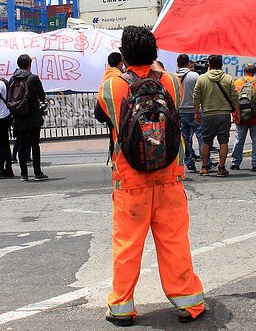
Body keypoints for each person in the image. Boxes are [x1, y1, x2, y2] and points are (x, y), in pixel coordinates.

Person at [96, 26, 205, 326]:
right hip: (170, 178)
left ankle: (121, 307)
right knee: (174, 242)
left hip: (131, 182)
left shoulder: (112, 87)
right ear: (155, 53)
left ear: (124, 55)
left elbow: (102, 111)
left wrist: (113, 70)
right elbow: (163, 78)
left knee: (127, 246)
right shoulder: (170, 81)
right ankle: (189, 303)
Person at [193, 54, 238, 177]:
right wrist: (237, 113)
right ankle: (222, 168)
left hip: (208, 114)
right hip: (224, 114)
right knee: (223, 141)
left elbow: (196, 96)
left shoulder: (202, 78)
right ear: (221, 64)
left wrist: (196, 112)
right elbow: (234, 97)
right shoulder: (228, 78)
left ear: (209, 64)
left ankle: (204, 167)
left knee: (206, 141)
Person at [10, 54, 48, 181]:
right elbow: (42, 95)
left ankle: (24, 174)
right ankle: (37, 173)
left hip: (18, 116)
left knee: (21, 145)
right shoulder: (33, 78)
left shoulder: (12, 79)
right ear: (29, 65)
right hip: (32, 116)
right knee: (34, 144)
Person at [230, 63, 256, 172]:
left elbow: (233, 100)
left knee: (239, 140)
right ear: (255, 72)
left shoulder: (237, 83)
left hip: (241, 116)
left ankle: (235, 162)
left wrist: (235, 114)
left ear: (244, 71)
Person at [175, 54, 202, 172]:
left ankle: (189, 162)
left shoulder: (172, 77)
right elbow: (200, 93)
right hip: (194, 110)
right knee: (201, 135)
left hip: (180, 111)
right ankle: (206, 161)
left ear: (177, 64)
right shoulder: (194, 75)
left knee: (185, 138)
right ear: (188, 63)